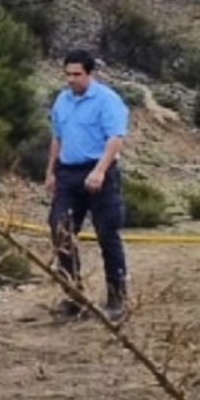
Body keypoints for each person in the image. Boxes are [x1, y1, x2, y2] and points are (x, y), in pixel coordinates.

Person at [46, 49, 131, 323]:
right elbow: (57, 138)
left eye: (77, 74)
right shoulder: (62, 100)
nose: (71, 80)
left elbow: (115, 138)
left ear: (90, 73)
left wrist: (100, 170)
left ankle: (117, 297)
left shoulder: (107, 100)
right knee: (60, 229)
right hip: (68, 173)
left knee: (107, 234)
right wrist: (51, 172)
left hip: (99, 172)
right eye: (68, 74)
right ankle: (74, 295)